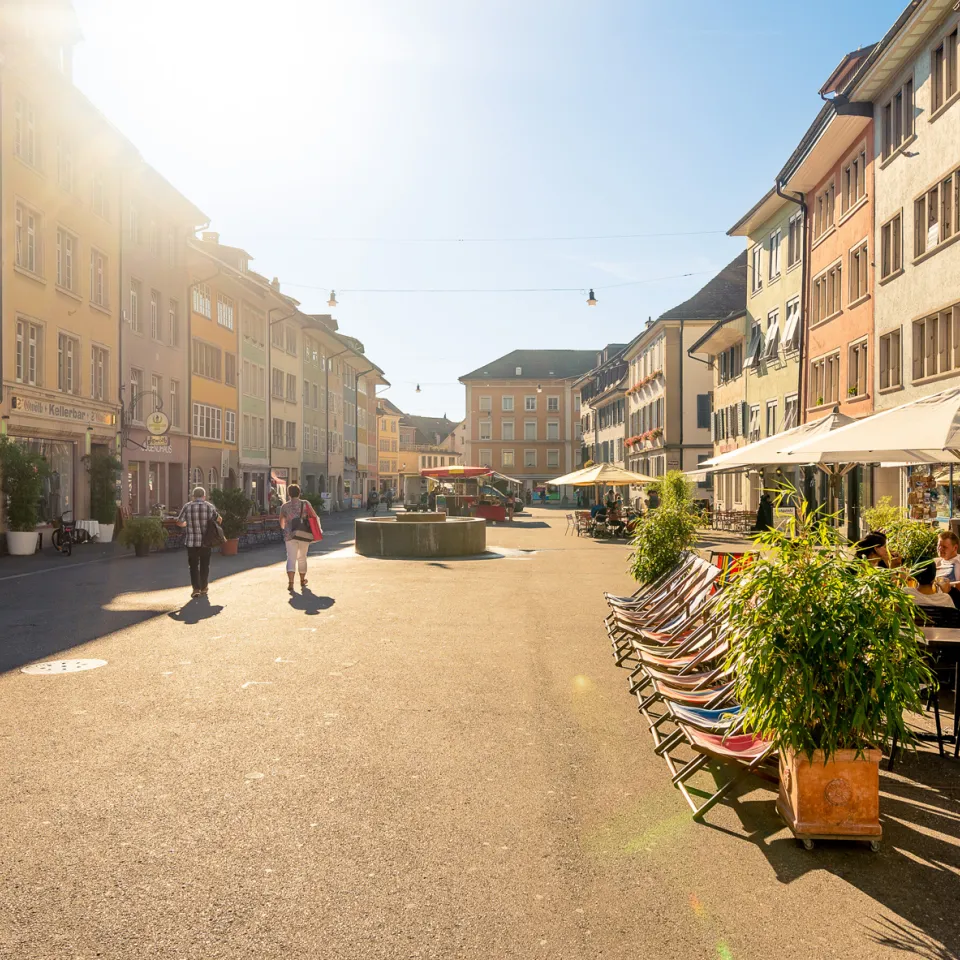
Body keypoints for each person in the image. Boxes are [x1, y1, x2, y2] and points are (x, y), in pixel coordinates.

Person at [175, 486, 222, 599]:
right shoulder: (209, 507)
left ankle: (195, 588)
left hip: (191, 542)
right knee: (205, 564)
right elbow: (219, 519)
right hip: (206, 541)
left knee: (193, 566)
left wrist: (186, 525)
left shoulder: (187, 506)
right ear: (204, 496)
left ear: (193, 496)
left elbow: (179, 522)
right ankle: (204, 587)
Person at [278, 484, 321, 593]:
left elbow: (281, 521)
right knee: (302, 557)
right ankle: (302, 580)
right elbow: (314, 516)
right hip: (304, 534)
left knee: (291, 558)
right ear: (299, 492)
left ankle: (291, 583)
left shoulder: (285, 506)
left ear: (289, 494)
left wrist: (286, 529)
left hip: (290, 536)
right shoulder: (305, 504)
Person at [908, 553, 960, 627]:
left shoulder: (907, 593)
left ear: (913, 576)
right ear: (934, 576)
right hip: (937, 637)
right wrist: (948, 592)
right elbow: (954, 621)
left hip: (913, 637)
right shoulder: (945, 599)